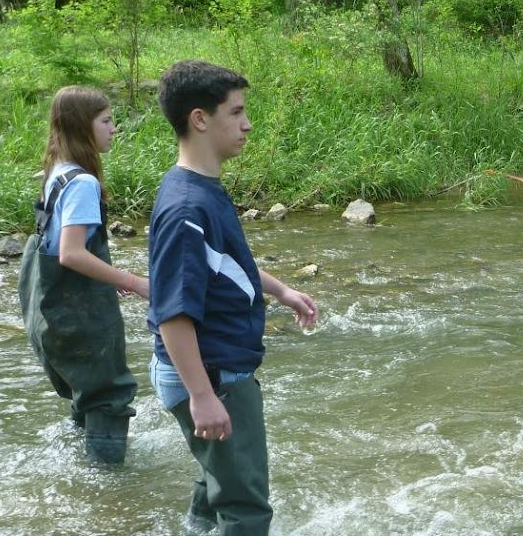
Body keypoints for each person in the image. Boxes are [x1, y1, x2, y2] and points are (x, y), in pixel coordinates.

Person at [147, 60, 318, 535]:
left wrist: (280, 289)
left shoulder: (199, 188)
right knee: (246, 507)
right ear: (200, 119)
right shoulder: (187, 207)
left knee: (214, 484)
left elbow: (223, 265)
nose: (247, 123)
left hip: (213, 370)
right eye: (237, 112)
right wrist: (203, 395)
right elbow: (172, 314)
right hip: (213, 374)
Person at [18, 86, 148, 465]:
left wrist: (105, 277)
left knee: (85, 390)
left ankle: (85, 469)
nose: (113, 129)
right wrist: (132, 281)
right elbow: (72, 253)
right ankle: (108, 488)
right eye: (106, 121)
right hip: (76, 311)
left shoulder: (56, 172)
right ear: (82, 127)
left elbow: (57, 249)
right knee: (108, 395)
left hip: (47, 307)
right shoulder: (84, 183)